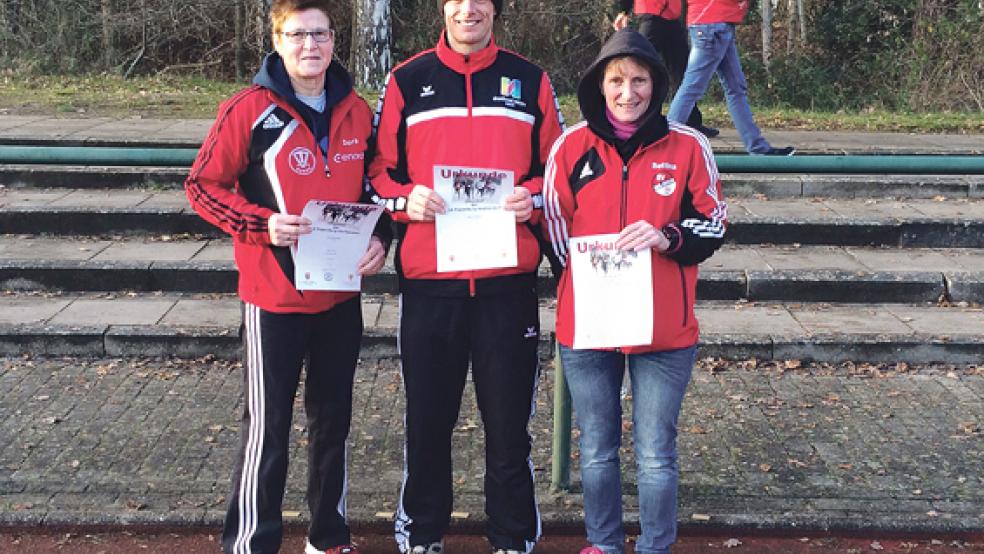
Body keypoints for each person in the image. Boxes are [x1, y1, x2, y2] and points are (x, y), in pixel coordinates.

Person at [184, 0, 390, 552]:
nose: (309, 46)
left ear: (333, 40)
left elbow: (377, 188)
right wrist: (262, 224)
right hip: (273, 298)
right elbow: (202, 186)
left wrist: (380, 237)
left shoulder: (359, 111)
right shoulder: (248, 109)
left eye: (319, 33)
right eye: (297, 34)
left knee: (333, 425)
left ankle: (328, 536)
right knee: (267, 431)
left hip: (339, 296)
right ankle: (252, 541)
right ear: (277, 40)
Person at [366, 0, 565, 552]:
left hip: (507, 287)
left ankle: (511, 537)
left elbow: (563, 169)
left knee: (507, 432)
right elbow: (377, 173)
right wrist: (407, 199)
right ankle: (422, 534)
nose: (468, 8)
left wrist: (536, 195)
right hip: (431, 286)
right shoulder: (407, 80)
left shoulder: (530, 81)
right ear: (442, 7)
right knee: (428, 424)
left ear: (495, 10)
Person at [542, 29, 726, 554]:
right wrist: (585, 285)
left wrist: (668, 235)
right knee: (597, 448)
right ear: (600, 86)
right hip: (589, 328)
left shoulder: (690, 145)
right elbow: (556, 231)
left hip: (665, 331)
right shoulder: (570, 146)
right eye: (617, 80)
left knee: (655, 452)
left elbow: (714, 223)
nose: (629, 92)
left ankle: (654, 546)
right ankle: (603, 543)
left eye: (640, 80)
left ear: (657, 84)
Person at [666, 0, 795, 155]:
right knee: (693, 88)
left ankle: (757, 148)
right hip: (712, 24)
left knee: (735, 88)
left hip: (715, 23)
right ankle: (664, 144)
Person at [612, 0, 720, 138]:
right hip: (651, 13)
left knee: (682, 69)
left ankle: (691, 122)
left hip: (672, 16)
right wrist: (624, 10)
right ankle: (624, 118)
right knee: (636, 66)